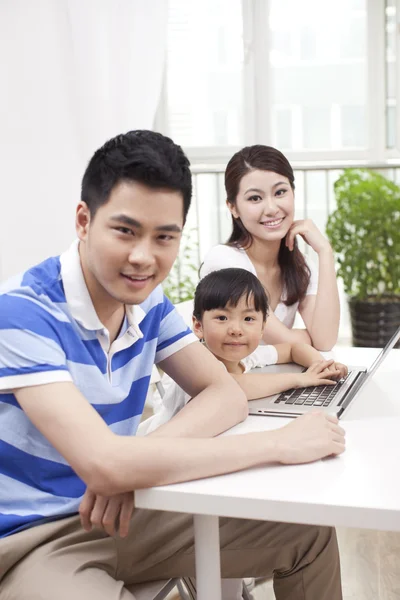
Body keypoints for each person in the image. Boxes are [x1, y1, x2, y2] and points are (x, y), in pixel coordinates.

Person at [0, 130, 345, 600]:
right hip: (34, 539)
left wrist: (131, 469)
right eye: (125, 231)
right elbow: (103, 462)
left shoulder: (149, 304)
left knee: (307, 535)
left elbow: (224, 394)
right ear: (84, 221)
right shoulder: (23, 312)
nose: (144, 257)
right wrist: (279, 444)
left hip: (133, 509)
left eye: (165, 236)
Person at [139, 267, 348, 436]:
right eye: (222, 318)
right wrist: (300, 379)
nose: (236, 330)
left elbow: (294, 349)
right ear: (198, 325)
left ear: (263, 326)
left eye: (248, 319)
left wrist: (319, 366)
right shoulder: (196, 363)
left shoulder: (248, 357)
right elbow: (231, 387)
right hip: (161, 448)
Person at [200, 145, 340, 351]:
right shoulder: (225, 262)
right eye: (255, 198)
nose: (272, 209)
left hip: (278, 377)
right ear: (233, 207)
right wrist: (308, 338)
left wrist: (325, 252)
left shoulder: (299, 266)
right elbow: (288, 341)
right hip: (230, 381)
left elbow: (326, 340)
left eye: (280, 192)